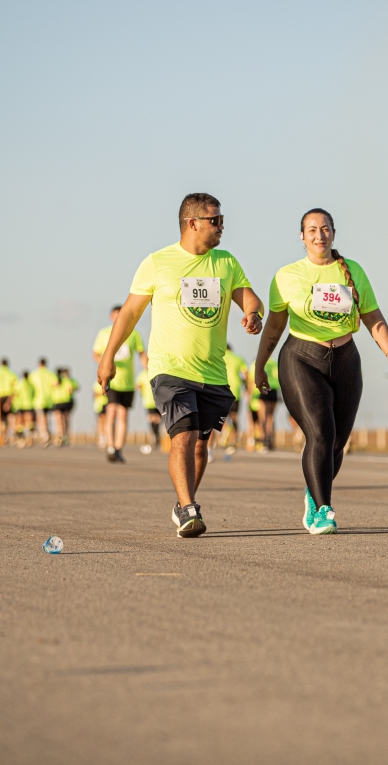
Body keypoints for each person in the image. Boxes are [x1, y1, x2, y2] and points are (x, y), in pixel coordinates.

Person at [95, 192, 263, 538]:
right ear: (192, 223)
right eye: (215, 220)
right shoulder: (158, 263)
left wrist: (252, 313)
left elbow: (249, 297)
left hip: (212, 371)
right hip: (170, 369)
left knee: (201, 445)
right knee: (183, 435)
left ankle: (183, 502)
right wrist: (108, 357)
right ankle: (189, 509)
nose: (221, 226)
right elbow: (129, 313)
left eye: (221, 220)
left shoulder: (226, 263)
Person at [254, 208, 388, 534]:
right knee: (321, 433)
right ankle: (323, 509)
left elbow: (373, 316)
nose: (319, 235)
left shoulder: (353, 271)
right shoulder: (287, 276)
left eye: (325, 229)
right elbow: (275, 326)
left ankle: (314, 492)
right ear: (301, 236)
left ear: (334, 234)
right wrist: (260, 365)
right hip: (301, 358)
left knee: (337, 443)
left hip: (346, 360)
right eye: (312, 229)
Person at [93, 306, 148, 463]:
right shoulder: (104, 333)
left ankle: (118, 448)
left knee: (123, 415)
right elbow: (96, 354)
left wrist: (149, 369)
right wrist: (105, 364)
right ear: (111, 316)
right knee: (111, 412)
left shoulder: (134, 334)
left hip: (128, 382)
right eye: (115, 315)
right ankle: (110, 446)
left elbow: (142, 354)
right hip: (112, 379)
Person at [220, 344, 249, 453]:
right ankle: (233, 440)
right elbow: (246, 374)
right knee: (234, 416)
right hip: (235, 390)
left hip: (222, 389)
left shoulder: (220, 357)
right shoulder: (238, 358)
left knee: (223, 416)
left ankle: (226, 431)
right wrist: (244, 384)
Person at [248, 356, 280, 451]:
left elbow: (251, 380)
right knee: (271, 416)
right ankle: (271, 439)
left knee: (263, 417)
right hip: (274, 390)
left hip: (264, 389)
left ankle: (265, 439)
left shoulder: (257, 363)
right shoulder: (274, 363)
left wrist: (250, 396)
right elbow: (278, 377)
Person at [29, 358, 58, 448]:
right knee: (46, 417)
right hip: (49, 399)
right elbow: (56, 384)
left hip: (38, 399)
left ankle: (44, 434)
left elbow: (29, 387)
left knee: (40, 417)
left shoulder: (34, 374)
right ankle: (46, 432)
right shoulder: (51, 374)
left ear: (39, 364)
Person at [51, 367, 78, 446]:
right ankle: (61, 435)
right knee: (60, 419)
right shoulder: (58, 380)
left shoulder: (69, 380)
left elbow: (74, 388)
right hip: (58, 401)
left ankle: (65, 435)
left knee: (64, 419)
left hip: (65, 401)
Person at [136, 368, 162, 450]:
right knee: (151, 418)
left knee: (157, 418)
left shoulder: (157, 372)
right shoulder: (142, 375)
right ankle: (155, 436)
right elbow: (137, 385)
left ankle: (156, 435)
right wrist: (139, 387)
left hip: (158, 400)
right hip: (148, 401)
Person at [12, 370, 35, 447]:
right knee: (29, 420)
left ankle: (20, 437)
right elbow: (34, 393)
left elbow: (15, 393)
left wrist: (10, 403)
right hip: (29, 404)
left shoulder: (19, 384)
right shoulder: (31, 384)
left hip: (20, 405)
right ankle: (30, 434)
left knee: (19, 421)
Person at [92, 381, 109, 449]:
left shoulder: (109, 383)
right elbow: (95, 394)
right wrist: (103, 393)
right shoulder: (96, 384)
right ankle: (101, 438)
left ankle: (106, 437)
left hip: (107, 404)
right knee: (100, 421)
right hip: (99, 405)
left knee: (107, 421)